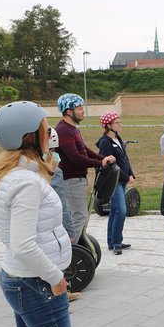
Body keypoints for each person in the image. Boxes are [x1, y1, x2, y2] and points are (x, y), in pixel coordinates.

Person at [0, 101, 76, 327]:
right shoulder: (24, 182)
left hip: (20, 279)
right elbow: (23, 245)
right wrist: (56, 278)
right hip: (37, 283)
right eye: (46, 130)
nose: (50, 135)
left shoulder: (10, 174)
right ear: (29, 137)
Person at [55, 93, 115, 244]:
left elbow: (84, 150)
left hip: (77, 179)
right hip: (71, 180)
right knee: (79, 216)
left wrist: (102, 158)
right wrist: (99, 163)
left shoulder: (72, 129)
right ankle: (69, 251)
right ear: (69, 111)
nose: (83, 111)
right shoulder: (63, 130)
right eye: (80, 108)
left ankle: (76, 247)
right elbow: (75, 157)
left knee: (79, 216)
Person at [49, 128, 82, 302]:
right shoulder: (54, 170)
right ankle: (60, 299)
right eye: (54, 151)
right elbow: (61, 202)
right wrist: (70, 230)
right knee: (56, 260)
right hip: (53, 224)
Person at [96, 111, 136, 254]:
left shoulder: (118, 138)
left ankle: (112, 242)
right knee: (121, 210)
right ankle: (116, 243)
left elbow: (124, 159)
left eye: (119, 121)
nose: (120, 124)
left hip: (123, 178)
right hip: (115, 181)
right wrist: (126, 177)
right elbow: (111, 166)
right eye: (117, 122)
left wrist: (131, 173)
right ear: (108, 125)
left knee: (115, 211)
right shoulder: (105, 143)